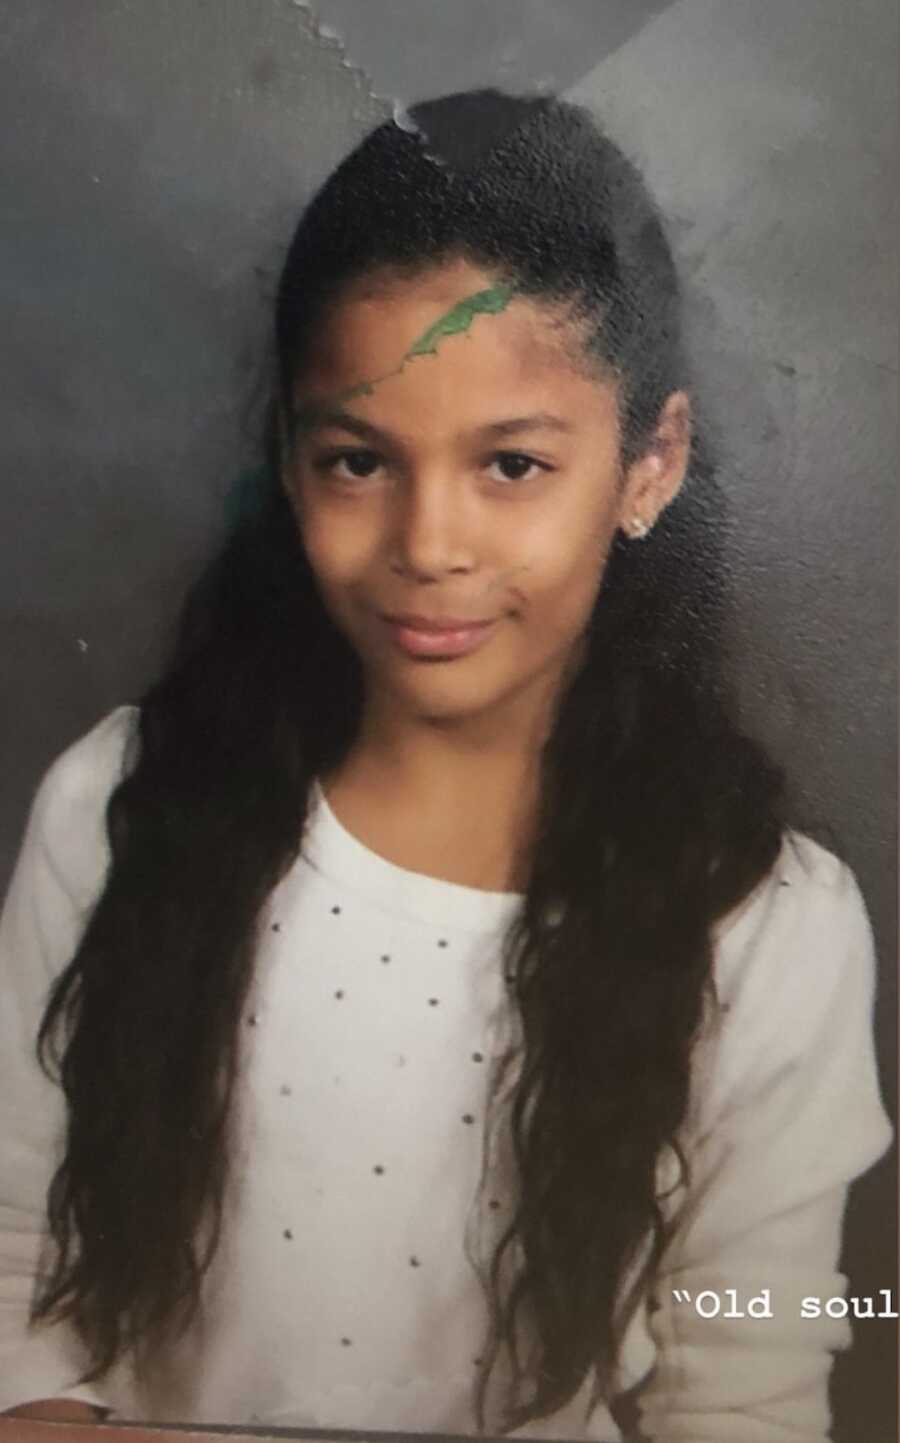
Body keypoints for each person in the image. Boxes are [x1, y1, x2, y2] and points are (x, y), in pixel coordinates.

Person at [0, 89, 892, 1443]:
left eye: (514, 465)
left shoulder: (768, 926)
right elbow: (14, 1276)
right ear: (292, 469)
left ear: (649, 465)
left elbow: (748, 1387)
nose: (429, 541)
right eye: (360, 459)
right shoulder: (119, 808)